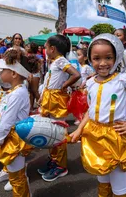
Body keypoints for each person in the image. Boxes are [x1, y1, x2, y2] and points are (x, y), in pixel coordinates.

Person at [69, 34, 126, 197]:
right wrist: (80, 129)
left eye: (108, 57)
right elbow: (91, 109)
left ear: (116, 57)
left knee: (119, 184)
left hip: (116, 136)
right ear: (90, 59)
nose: (102, 63)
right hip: (94, 135)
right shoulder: (90, 82)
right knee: (102, 177)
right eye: (96, 58)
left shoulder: (123, 79)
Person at [0, 49, 35, 196]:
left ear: (13, 74)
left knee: (17, 177)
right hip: (10, 137)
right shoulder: (16, 90)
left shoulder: (18, 93)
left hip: (13, 140)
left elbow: (6, 122)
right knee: (16, 175)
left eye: (1, 71)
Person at [38, 35, 80, 181]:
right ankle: (54, 160)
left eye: (45, 47)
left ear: (52, 49)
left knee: (58, 133)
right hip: (50, 99)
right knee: (51, 132)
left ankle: (61, 166)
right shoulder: (54, 61)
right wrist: (42, 95)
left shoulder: (61, 60)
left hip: (56, 100)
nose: (44, 49)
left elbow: (76, 74)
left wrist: (63, 86)